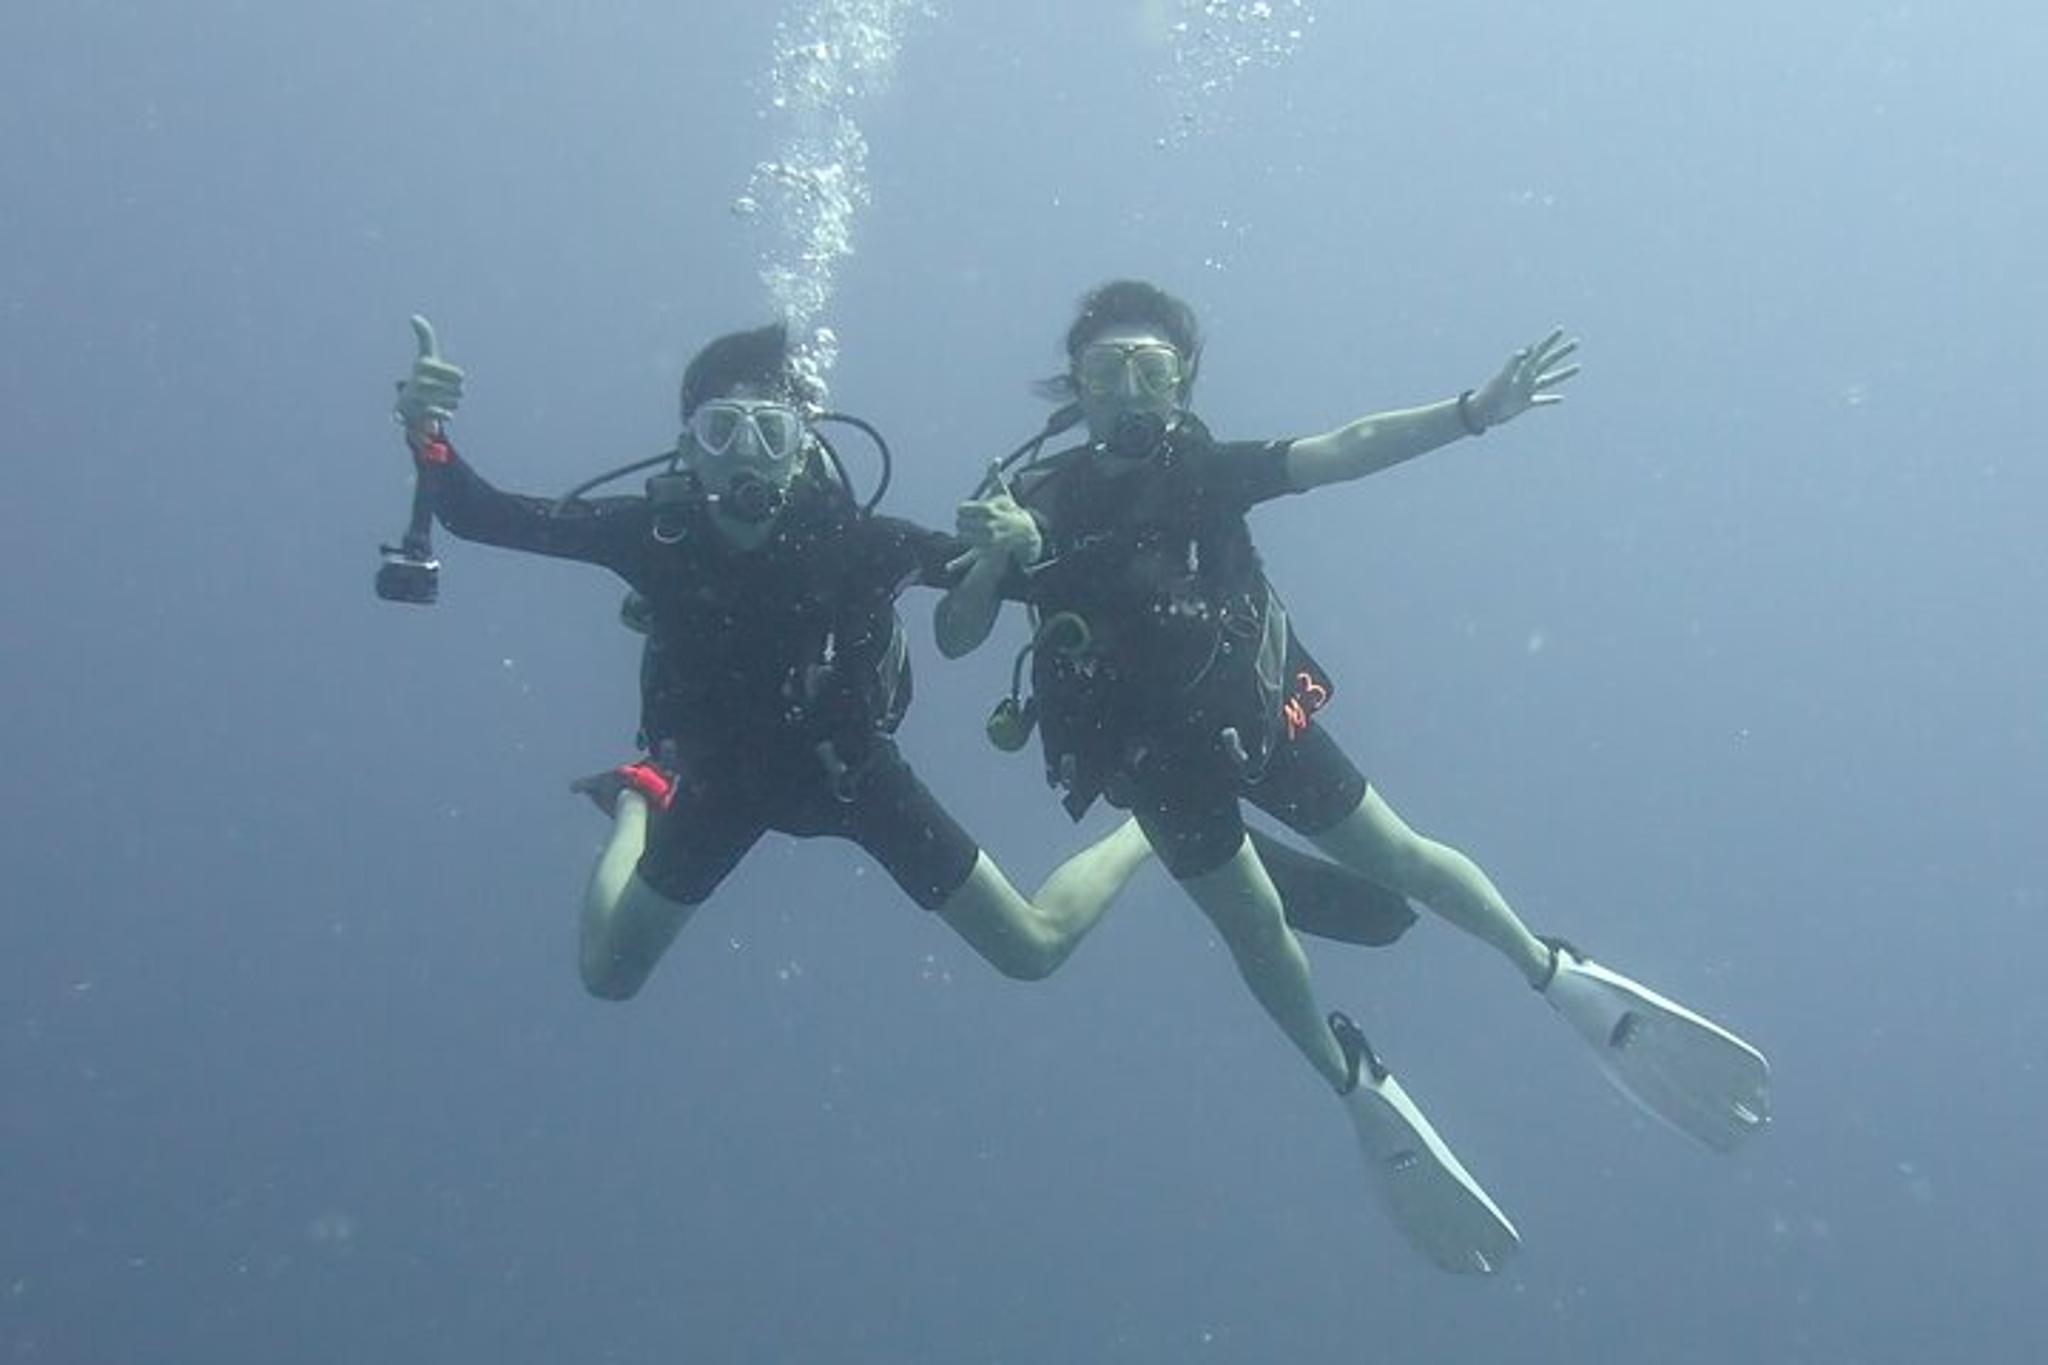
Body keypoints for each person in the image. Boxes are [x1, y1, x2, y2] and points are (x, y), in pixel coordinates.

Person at [937, 280, 1770, 1274]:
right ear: (1073, 385)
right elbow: (954, 637)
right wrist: (992, 562)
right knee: (1254, 928)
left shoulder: (1202, 471)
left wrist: (1473, 412)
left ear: (1181, 380)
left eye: (1149, 368)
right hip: (1153, 765)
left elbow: (1342, 448)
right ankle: (1348, 1076)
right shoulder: (1035, 500)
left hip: (1252, 723)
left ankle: (1548, 968)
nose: (1128, 389)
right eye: (1105, 368)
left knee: (1397, 856)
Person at [387, 315, 1408, 1000]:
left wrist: (1015, 544)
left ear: (805, 443)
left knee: (1033, 951)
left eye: (770, 431)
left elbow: (1042, 580)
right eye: (722, 431)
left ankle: (1143, 836)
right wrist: (428, 432)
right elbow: (481, 514)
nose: (747, 455)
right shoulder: (650, 534)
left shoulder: (859, 541)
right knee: (607, 978)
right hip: (717, 777)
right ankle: (636, 800)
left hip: (853, 771)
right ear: (688, 448)